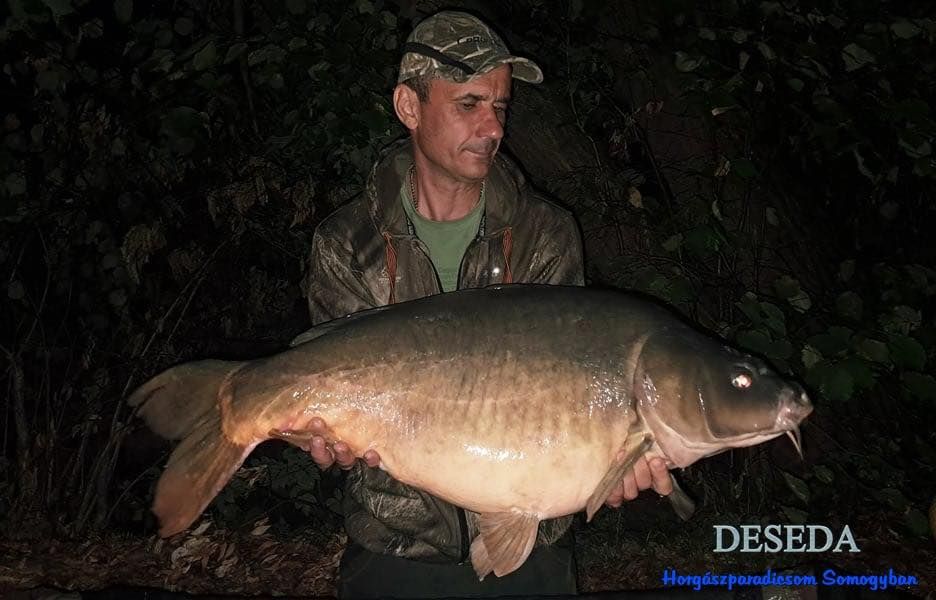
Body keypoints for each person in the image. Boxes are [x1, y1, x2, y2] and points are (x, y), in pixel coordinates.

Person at [299, 10, 673, 599]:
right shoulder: (347, 242)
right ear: (409, 106)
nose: (493, 126)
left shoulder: (545, 232)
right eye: (469, 103)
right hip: (398, 538)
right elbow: (334, 388)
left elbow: (571, 394)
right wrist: (327, 434)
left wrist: (614, 459)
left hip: (533, 531)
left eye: (500, 106)